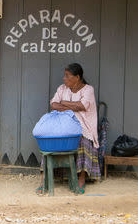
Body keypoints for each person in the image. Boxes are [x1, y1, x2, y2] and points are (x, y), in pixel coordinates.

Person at [37, 63, 100, 195]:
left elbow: (82, 106)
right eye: (64, 76)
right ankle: (44, 179)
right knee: (49, 138)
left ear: (77, 77)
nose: (64, 79)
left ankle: (81, 178)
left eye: (67, 76)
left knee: (82, 141)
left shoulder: (88, 89)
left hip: (83, 126)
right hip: (63, 124)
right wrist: (71, 106)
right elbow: (54, 104)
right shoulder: (62, 88)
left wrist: (64, 103)